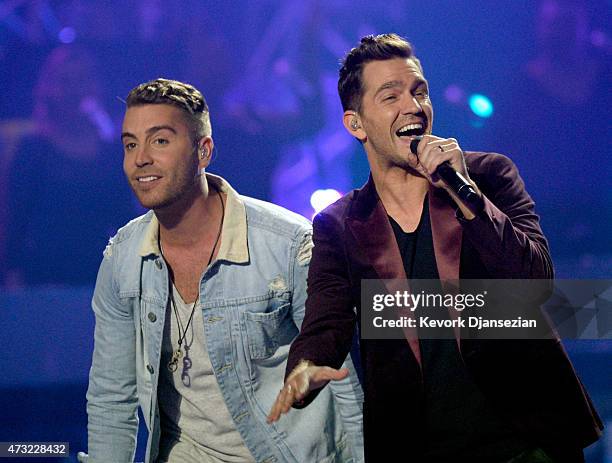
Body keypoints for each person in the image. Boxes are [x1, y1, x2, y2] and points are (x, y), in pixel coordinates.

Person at [268, 34, 603, 462]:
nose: (413, 106)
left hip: (527, 440)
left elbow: (535, 283)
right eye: (391, 96)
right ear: (356, 124)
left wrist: (467, 197)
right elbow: (326, 317)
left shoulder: (489, 177)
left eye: (419, 91)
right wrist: (304, 367)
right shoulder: (339, 224)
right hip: (419, 446)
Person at [83, 78, 363, 463]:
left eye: (160, 141)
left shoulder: (287, 245)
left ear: (203, 151)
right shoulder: (122, 259)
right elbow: (111, 397)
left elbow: (345, 383)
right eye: (130, 144)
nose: (140, 158)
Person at [3, 45, 134, 287]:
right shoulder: (32, 151)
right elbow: (15, 221)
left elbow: (125, 219)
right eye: (66, 81)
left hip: (97, 275)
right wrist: (10, 272)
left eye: (82, 80)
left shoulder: (112, 154)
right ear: (49, 88)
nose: (74, 91)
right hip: (42, 277)